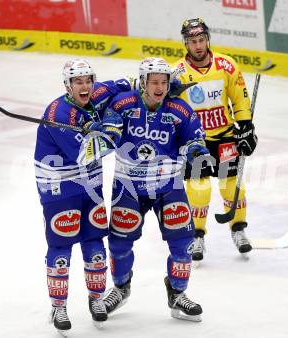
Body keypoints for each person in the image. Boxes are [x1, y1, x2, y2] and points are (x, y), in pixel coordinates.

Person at [101, 57, 208, 322]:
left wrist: (196, 151)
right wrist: (105, 134)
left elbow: (194, 139)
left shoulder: (179, 109)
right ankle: (120, 288)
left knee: (183, 243)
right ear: (143, 83)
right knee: (119, 243)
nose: (159, 87)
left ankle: (177, 294)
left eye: (164, 82)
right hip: (128, 186)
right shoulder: (123, 104)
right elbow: (110, 132)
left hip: (168, 184)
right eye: (154, 82)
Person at [34, 59, 129, 335]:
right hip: (59, 185)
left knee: (94, 240)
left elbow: (124, 85)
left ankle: (96, 299)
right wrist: (109, 128)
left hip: (91, 182)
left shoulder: (95, 92)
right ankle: (59, 306)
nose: (85, 86)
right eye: (78, 82)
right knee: (61, 247)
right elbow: (87, 153)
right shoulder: (57, 114)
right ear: (67, 85)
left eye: (88, 80)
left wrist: (162, 86)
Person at [172, 18, 258, 263]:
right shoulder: (176, 73)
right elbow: (170, 107)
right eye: (192, 42)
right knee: (198, 190)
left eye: (201, 40)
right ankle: (197, 235)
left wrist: (246, 126)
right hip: (195, 142)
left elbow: (240, 99)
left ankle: (239, 230)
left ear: (207, 39)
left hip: (225, 138)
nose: (198, 46)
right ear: (185, 44)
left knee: (231, 186)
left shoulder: (226, 65)